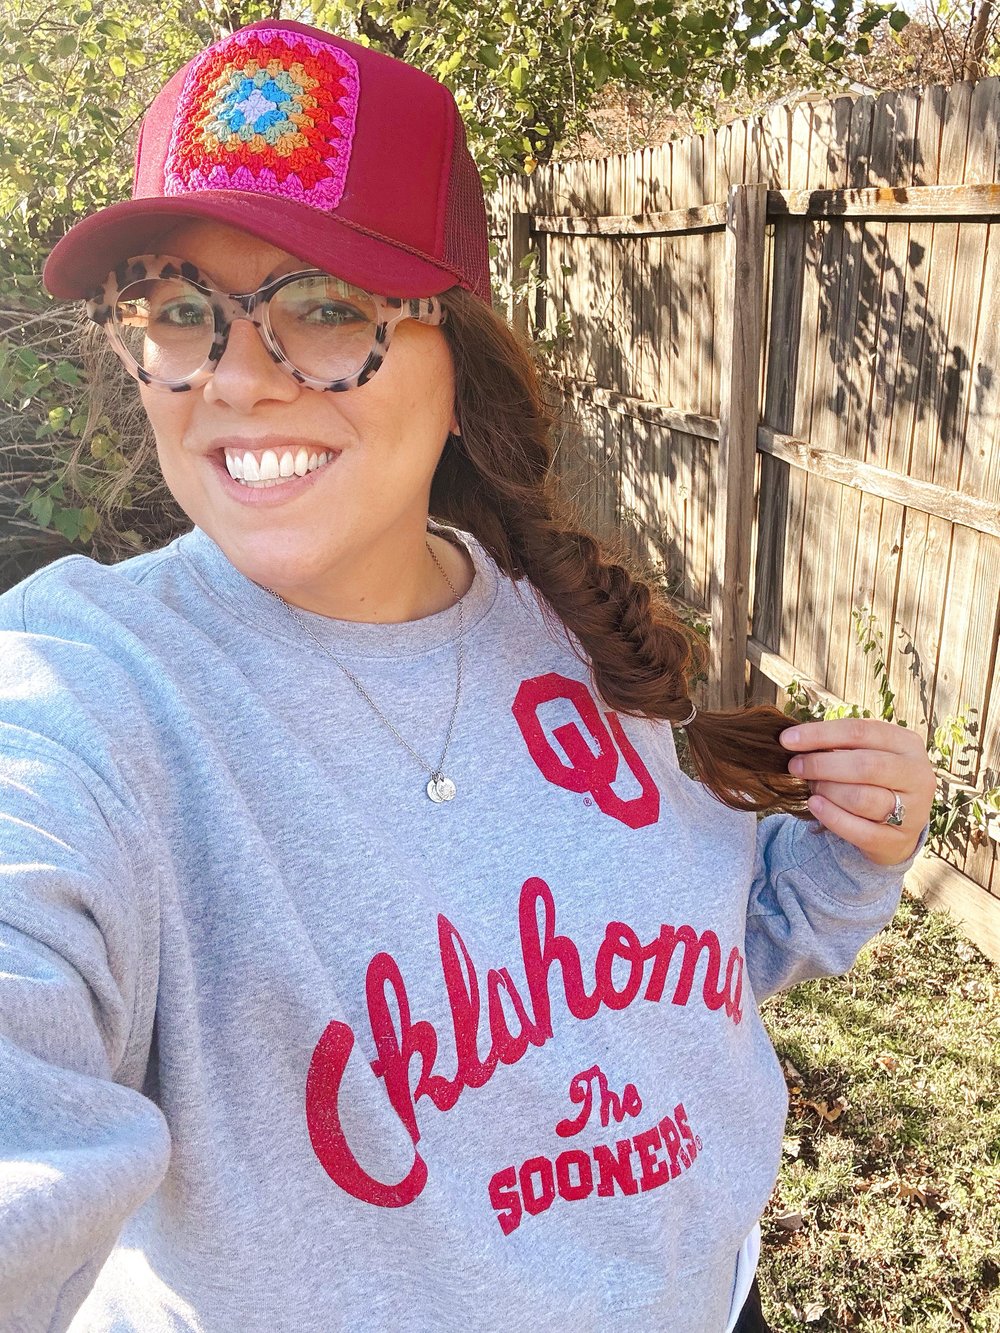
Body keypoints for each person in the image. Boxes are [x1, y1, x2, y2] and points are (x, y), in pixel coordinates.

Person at [0, 18, 935, 1333]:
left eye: (324, 308)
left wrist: (846, 861)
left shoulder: (573, 629)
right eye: (179, 311)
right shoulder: (84, 696)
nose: (242, 382)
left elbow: (685, 970)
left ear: (459, 357)